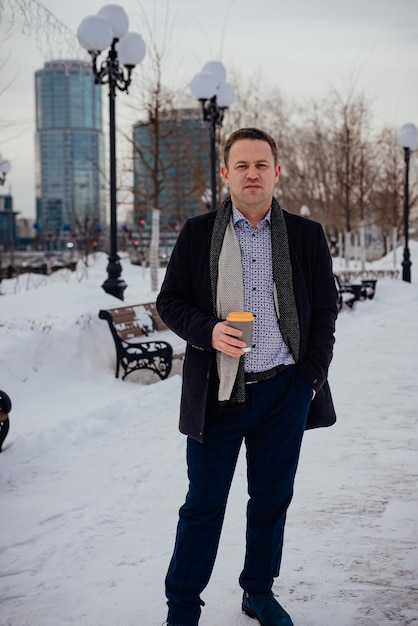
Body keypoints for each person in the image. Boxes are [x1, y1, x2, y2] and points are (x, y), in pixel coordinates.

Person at [156, 127, 338, 626]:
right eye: (242, 165)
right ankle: (183, 607)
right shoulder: (198, 234)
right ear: (226, 174)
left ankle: (258, 592)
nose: (252, 174)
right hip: (219, 393)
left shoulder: (306, 235)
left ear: (276, 172)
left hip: (284, 391)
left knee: (271, 501)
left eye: (262, 165)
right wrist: (209, 331)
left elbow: (325, 310)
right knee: (203, 506)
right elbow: (169, 302)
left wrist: (309, 379)